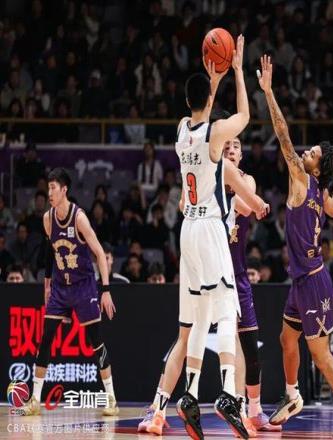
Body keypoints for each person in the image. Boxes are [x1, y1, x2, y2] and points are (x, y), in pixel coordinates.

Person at [142, 37, 268, 440]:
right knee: (227, 311)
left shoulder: (182, 130)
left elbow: (202, 111)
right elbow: (244, 115)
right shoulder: (216, 136)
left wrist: (211, 82)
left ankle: (191, 394)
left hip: (187, 231)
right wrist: (237, 71)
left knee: (197, 318)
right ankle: (229, 392)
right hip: (211, 227)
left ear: (186, 101)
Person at [258, 55, 333, 438]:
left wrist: (269, 92)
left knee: (320, 356)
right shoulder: (320, 192)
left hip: (314, 282)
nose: (305, 153)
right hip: (303, 280)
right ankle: (292, 396)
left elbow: (282, 134)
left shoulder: (302, 180)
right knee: (286, 339)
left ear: (314, 167)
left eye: (312, 155)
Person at [18, 168, 119, 416]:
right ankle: (35, 399)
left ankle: (111, 399)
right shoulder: (47, 219)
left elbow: (99, 254)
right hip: (61, 287)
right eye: (48, 188)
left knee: (96, 342)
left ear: (64, 190)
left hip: (84, 286)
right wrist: (47, 285)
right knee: (46, 339)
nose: (49, 192)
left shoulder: (79, 218)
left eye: (53, 188)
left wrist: (105, 290)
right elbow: (49, 254)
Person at [224, 134, 281, 433]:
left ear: (242, 155)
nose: (231, 149)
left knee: (251, 349)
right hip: (214, 276)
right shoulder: (210, 180)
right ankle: (159, 404)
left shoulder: (248, 180)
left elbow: (246, 207)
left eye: (236, 146)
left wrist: (224, 185)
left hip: (239, 275)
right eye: (226, 146)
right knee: (190, 340)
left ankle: (255, 411)